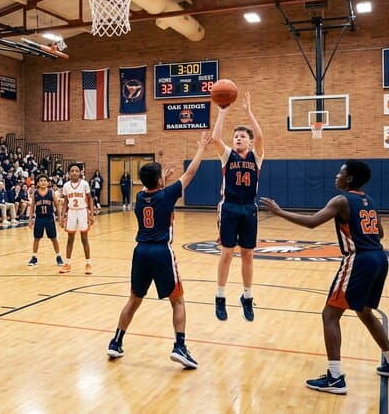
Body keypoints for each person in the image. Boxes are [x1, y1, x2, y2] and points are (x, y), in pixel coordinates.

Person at [260, 160, 389, 395]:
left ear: (349, 179)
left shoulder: (341, 200)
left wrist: (279, 212)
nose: (336, 176)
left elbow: (312, 223)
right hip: (380, 257)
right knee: (365, 312)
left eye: (340, 173)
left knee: (329, 315)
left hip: (359, 259)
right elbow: (379, 231)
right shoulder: (369, 200)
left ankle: (335, 378)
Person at [107, 132, 211, 369]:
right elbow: (191, 172)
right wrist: (201, 150)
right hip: (162, 252)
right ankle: (180, 347)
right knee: (178, 301)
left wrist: (162, 179)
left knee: (134, 299)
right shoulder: (167, 195)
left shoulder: (139, 197)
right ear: (159, 181)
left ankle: (116, 341)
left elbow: (151, 190)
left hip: (140, 252)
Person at [212, 92, 264, 322]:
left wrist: (249, 112)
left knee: (248, 254)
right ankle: (220, 296)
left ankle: (247, 296)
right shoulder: (227, 157)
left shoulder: (256, 157)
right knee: (226, 253)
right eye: (236, 137)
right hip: (230, 207)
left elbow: (261, 135)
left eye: (242, 136)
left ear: (250, 141)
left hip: (248, 208)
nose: (238, 139)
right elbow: (215, 139)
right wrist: (222, 112)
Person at [58, 163, 94, 275]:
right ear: (69, 173)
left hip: (83, 211)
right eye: (72, 171)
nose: (74, 172)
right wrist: (62, 216)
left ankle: (88, 263)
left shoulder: (84, 184)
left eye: (77, 171)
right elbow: (65, 203)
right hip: (71, 212)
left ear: (80, 173)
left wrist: (91, 214)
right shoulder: (66, 186)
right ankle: (67, 263)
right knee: (70, 239)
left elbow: (90, 200)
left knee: (84, 239)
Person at [27, 175, 62, 267]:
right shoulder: (35, 193)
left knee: (53, 238)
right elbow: (31, 208)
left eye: (45, 180)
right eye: (41, 180)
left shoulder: (51, 192)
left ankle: (58, 256)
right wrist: (30, 220)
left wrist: (60, 217)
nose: (43, 182)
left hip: (49, 218)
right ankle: (34, 257)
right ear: (38, 183)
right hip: (39, 218)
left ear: (47, 182)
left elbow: (57, 206)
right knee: (37, 238)